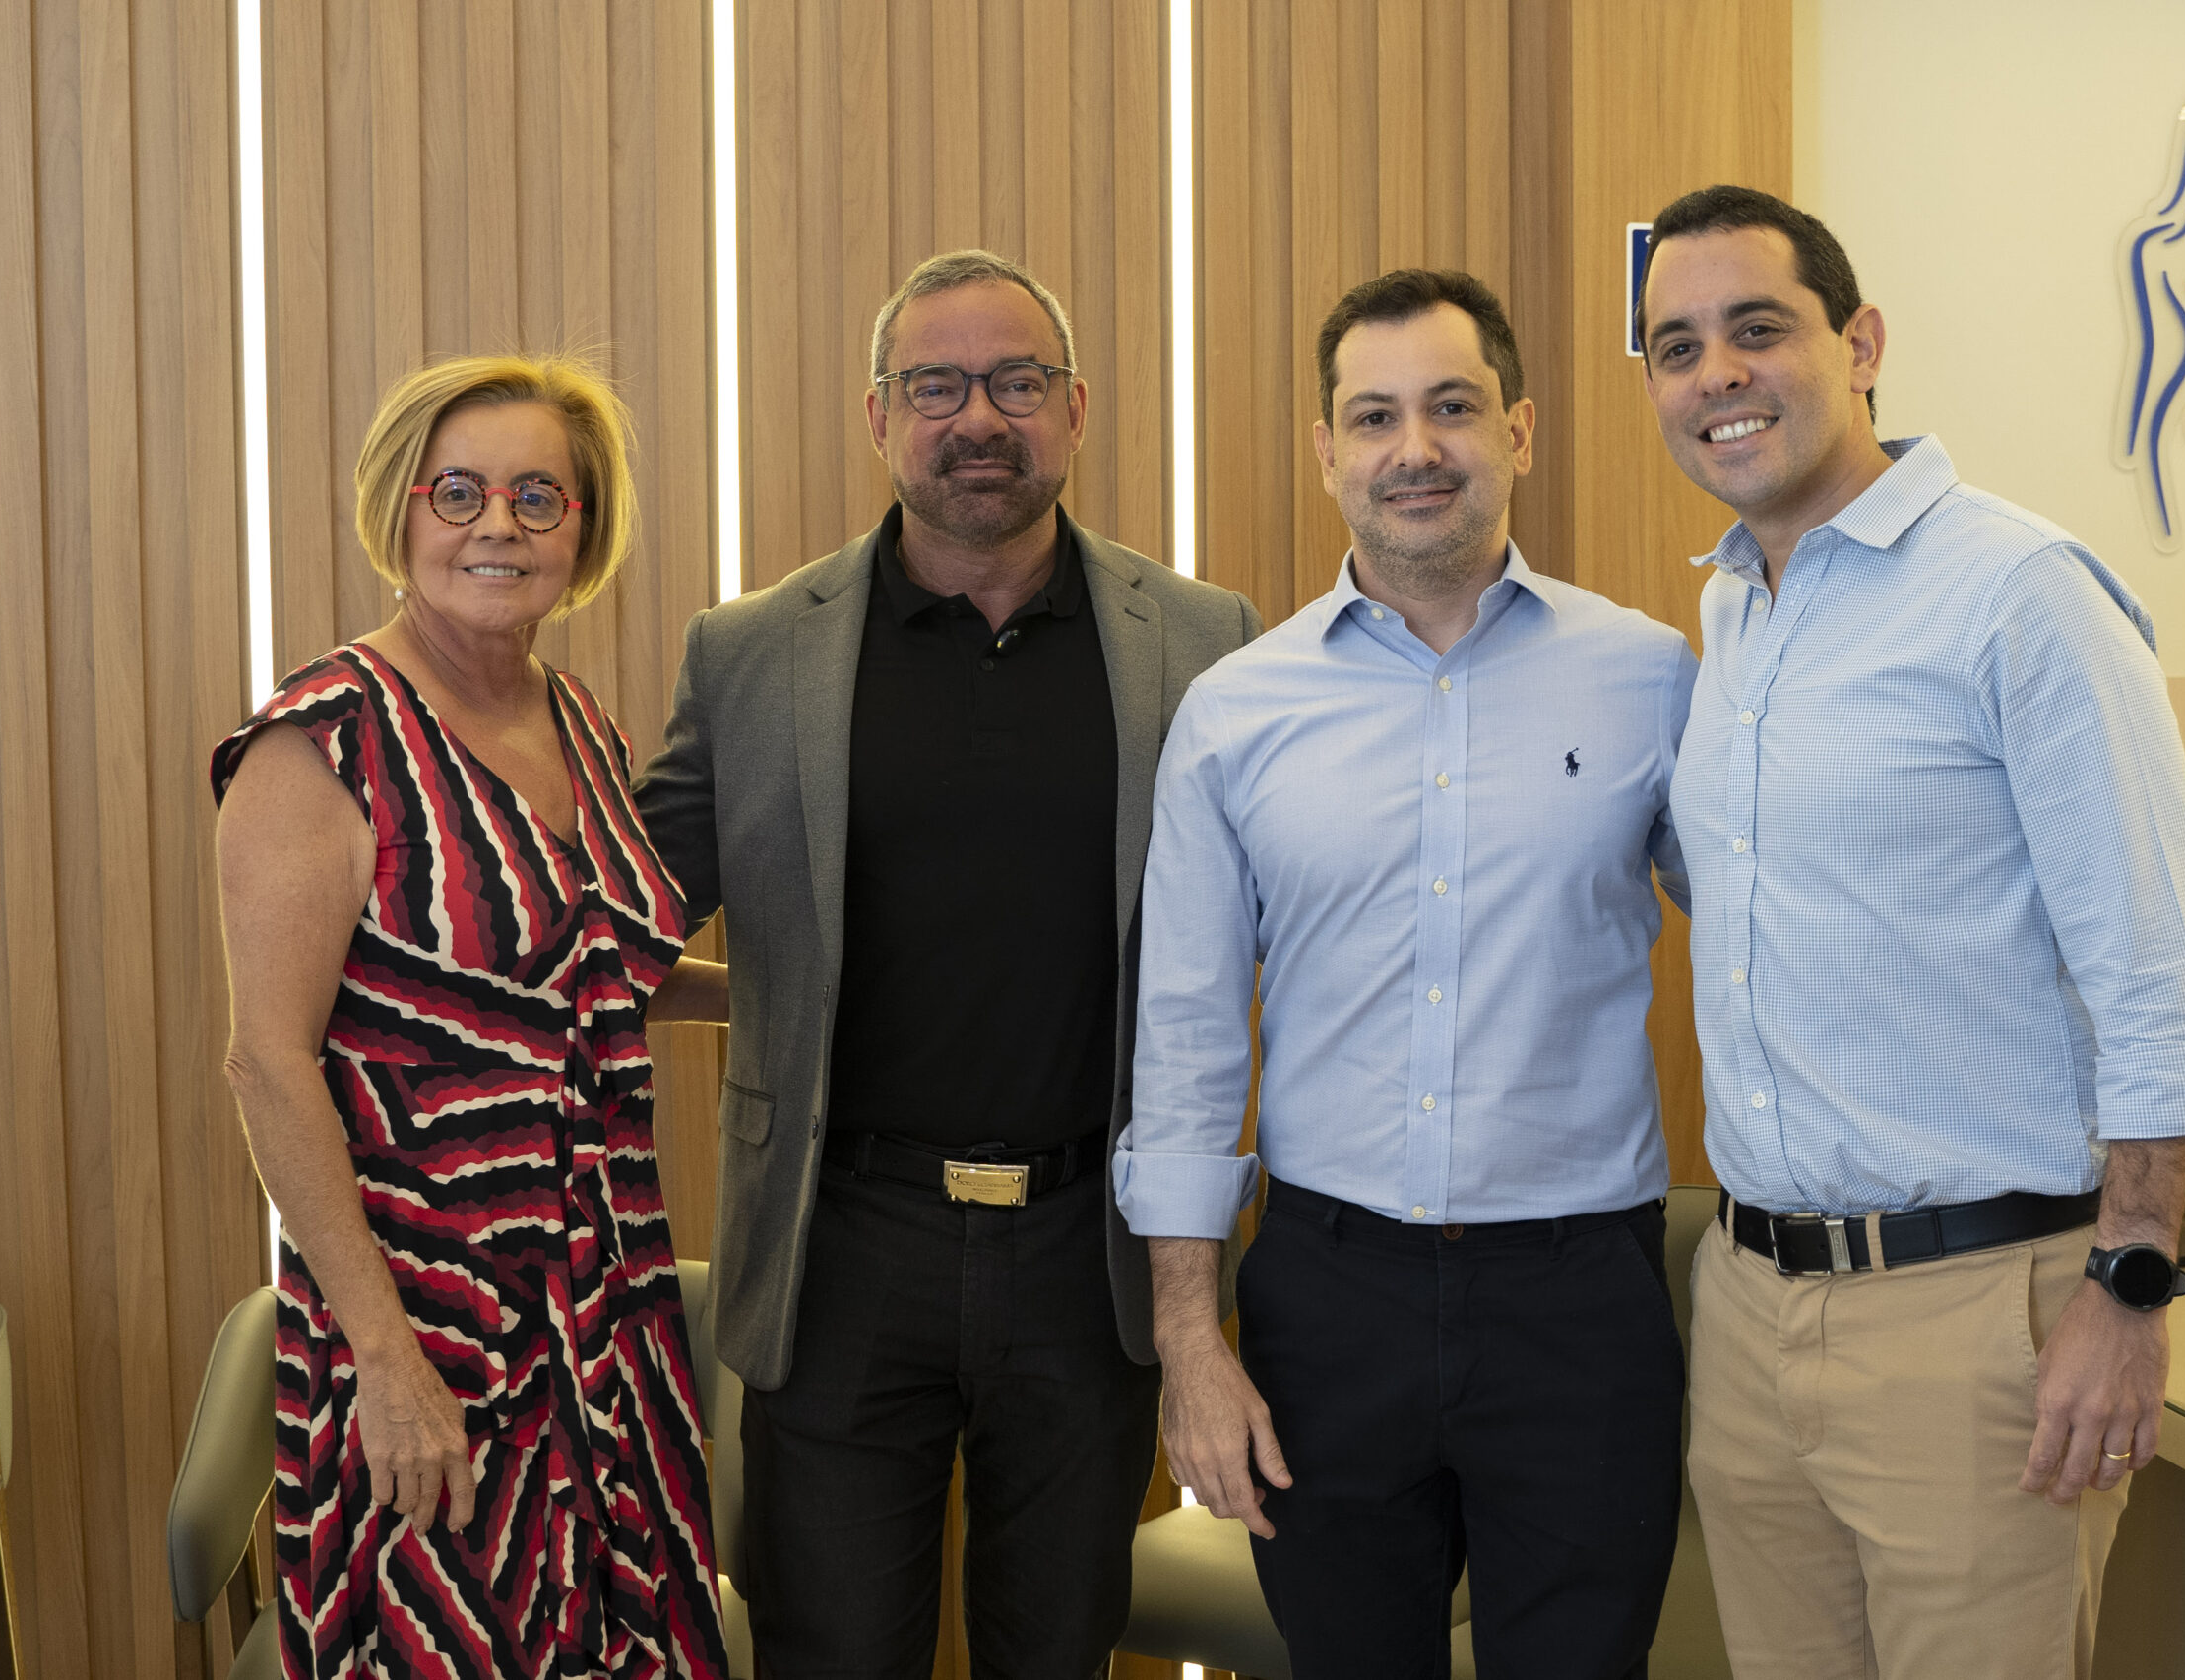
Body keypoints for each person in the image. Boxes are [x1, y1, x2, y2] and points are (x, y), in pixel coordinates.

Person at [1635, 183, 2185, 1680]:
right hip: (1754, 1299)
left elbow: (2163, 973)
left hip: (1978, 1318)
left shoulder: (2018, 595)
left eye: (1756, 329)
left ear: (1862, 342)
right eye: (1675, 346)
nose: (1716, 373)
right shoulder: (1731, 618)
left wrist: (2132, 1285)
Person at [633, 248, 1261, 1677]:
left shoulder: (1202, 643)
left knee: (1061, 1649)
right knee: (833, 1650)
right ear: (878, 418)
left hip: (1083, 1248)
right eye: (937, 385)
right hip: (841, 1243)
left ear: (1077, 409)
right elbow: (618, 920)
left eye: (1016, 381)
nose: (979, 416)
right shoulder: (747, 658)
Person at [1121, 269, 1697, 1677]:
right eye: (1373, 417)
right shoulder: (1236, 712)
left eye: (1451, 408)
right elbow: (1188, 1044)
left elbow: (1776, 945)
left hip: (1582, 1307)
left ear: (1521, 430)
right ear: (1327, 452)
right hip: (1331, 1301)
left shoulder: (1655, 678)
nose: (1414, 449)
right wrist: (1193, 1344)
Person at [214, 353, 731, 1679]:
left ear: (583, 528)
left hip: (606, 1311)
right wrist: (382, 1361)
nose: (497, 524)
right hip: (425, 1330)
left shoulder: (581, 725)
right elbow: (270, 1067)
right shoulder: (320, 740)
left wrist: (787, 1006)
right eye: (459, 492)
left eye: (536, 497)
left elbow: (580, 970)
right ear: (402, 513)